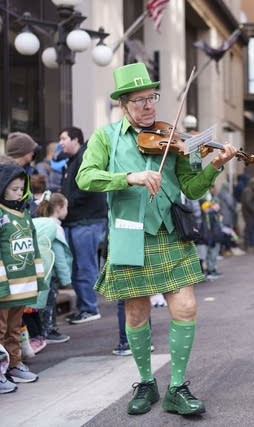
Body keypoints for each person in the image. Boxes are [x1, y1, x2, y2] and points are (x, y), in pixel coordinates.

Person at [75, 62, 236, 416]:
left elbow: (192, 190)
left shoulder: (174, 136)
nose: (148, 106)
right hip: (130, 235)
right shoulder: (106, 138)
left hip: (170, 234)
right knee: (136, 313)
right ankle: (147, 381)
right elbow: (85, 178)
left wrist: (215, 165)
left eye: (152, 98)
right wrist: (128, 177)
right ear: (123, 105)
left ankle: (177, 387)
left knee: (187, 307)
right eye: (139, 101)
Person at [0, 163, 46, 388]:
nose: (19, 193)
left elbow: (34, 247)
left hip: (22, 285)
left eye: (21, 188)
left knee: (14, 329)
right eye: (13, 189)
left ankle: (13, 364)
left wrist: (39, 277)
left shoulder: (25, 213)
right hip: (4, 286)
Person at [59, 126, 107, 324]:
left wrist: (66, 203)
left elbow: (87, 187)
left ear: (75, 140)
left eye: (63, 138)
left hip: (86, 221)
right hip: (77, 221)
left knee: (85, 266)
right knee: (79, 267)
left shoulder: (85, 157)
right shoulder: (71, 161)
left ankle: (89, 307)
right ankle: (83, 307)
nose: (60, 143)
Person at [30, 191, 72, 345]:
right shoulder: (55, 228)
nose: (68, 210)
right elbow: (59, 255)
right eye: (67, 207)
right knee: (49, 303)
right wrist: (66, 278)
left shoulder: (38, 223)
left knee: (40, 303)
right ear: (60, 208)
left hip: (39, 269)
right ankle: (49, 330)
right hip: (51, 272)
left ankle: (39, 332)